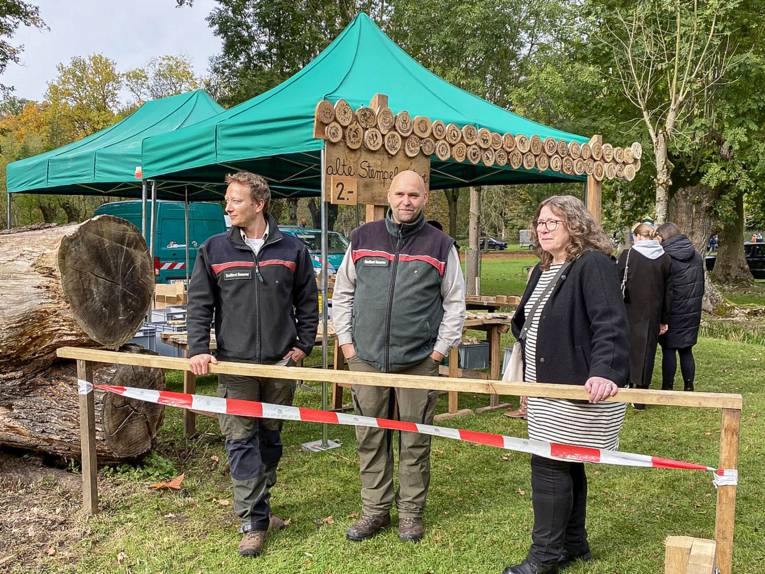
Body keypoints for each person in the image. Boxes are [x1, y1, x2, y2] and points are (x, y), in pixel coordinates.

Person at [187, 171, 318, 557]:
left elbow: (308, 302)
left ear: (259, 204)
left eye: (235, 200)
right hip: (236, 365)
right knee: (241, 441)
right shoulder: (214, 249)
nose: (227, 207)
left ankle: (259, 503)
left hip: (279, 365)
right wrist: (198, 347)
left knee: (270, 440)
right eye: (227, 200)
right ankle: (253, 521)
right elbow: (200, 305)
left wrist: (303, 346)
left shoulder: (293, 250)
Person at [332, 170, 465, 543]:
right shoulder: (362, 238)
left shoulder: (440, 245)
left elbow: (455, 302)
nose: (406, 201)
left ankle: (410, 514)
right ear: (388, 196)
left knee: (415, 440)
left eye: (414, 195)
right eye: (400, 194)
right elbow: (342, 293)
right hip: (367, 358)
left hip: (419, 360)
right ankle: (374, 511)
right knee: (370, 438)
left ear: (425, 198)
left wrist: (439, 350)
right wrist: (347, 344)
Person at [503, 195, 629, 574]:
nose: (542, 228)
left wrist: (605, 370)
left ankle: (544, 558)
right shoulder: (546, 268)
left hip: (576, 387)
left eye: (551, 222)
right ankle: (574, 544)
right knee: (569, 464)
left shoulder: (591, 263)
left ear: (574, 225)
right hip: (546, 388)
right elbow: (529, 325)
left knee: (549, 466)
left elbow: (610, 321)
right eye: (539, 222)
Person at [617, 223, 671, 409]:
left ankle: (626, 386)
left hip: (629, 307)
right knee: (647, 352)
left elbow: (617, 280)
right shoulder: (664, 258)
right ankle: (641, 394)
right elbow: (667, 291)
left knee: (627, 348)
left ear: (638, 236)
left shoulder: (628, 255)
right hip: (653, 310)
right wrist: (664, 318)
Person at [655, 222, 704, 392]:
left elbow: (664, 288)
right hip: (691, 310)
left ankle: (667, 387)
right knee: (686, 350)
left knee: (669, 350)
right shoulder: (696, 256)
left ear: (662, 237)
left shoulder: (665, 256)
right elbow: (701, 284)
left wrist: (662, 315)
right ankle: (689, 386)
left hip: (672, 311)